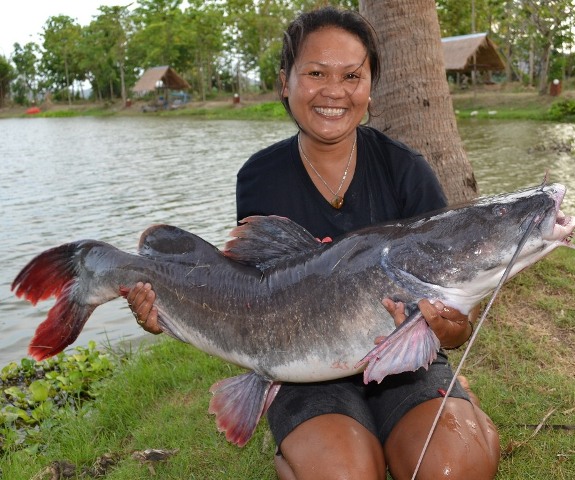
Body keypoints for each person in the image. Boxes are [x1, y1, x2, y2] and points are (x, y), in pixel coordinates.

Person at [128, 6, 500, 479]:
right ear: (286, 81)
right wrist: (171, 310)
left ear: (370, 85)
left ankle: (453, 404)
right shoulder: (260, 176)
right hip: (302, 371)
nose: (334, 91)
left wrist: (448, 329)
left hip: (406, 362)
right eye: (316, 73)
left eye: (352, 75)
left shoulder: (407, 170)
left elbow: (455, 326)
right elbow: (250, 294)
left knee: (455, 468)